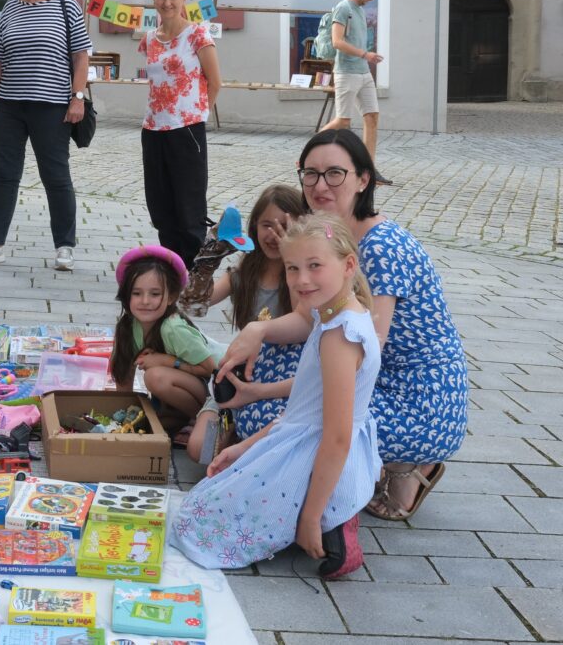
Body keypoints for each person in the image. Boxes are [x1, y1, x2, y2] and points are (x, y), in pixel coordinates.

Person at [219, 128, 468, 522]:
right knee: (267, 368)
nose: (320, 185)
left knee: (270, 414)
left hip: (418, 402)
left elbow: (362, 361)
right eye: (310, 173)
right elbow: (305, 319)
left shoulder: (381, 248)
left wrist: (262, 393)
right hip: (377, 379)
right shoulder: (333, 231)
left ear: (363, 179)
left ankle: (409, 465)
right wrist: (258, 330)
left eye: (335, 173)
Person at [172, 212, 381, 578]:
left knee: (197, 526)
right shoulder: (331, 316)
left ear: (348, 265)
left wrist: (311, 519)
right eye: (292, 268)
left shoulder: (339, 336)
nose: (301, 280)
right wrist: (244, 447)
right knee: (200, 506)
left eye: (315, 266)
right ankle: (329, 510)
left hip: (316, 453)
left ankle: (330, 516)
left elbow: (335, 435)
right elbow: (304, 410)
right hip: (300, 439)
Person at [0, 0, 91, 272]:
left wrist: (77, 97)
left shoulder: (67, 6)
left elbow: (81, 56)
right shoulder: (10, 8)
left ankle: (65, 246)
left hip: (52, 107)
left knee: (56, 177)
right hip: (11, 106)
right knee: (4, 175)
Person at [188, 186, 306, 460]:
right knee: (201, 451)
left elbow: (303, 318)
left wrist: (293, 256)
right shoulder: (242, 275)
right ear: (254, 227)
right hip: (236, 379)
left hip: (280, 384)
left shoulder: (303, 279)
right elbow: (192, 304)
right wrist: (211, 254)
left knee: (261, 449)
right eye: (266, 224)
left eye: (285, 226)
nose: (274, 234)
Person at [140, 0, 222, 270]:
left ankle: (195, 273)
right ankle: (171, 267)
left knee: (188, 208)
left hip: (185, 130)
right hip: (153, 129)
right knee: (161, 206)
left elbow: (215, 81)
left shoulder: (198, 34)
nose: (167, 2)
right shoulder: (149, 39)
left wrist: (196, 115)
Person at [110, 245, 218, 441]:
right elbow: (123, 378)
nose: (145, 301)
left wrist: (166, 361)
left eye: (155, 294)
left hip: (212, 389)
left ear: (172, 297)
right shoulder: (127, 326)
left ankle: (201, 419)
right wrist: (122, 417)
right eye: (136, 293)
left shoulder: (173, 328)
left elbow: (211, 369)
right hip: (181, 392)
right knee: (152, 423)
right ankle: (182, 419)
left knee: (155, 376)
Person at [319, 0, 392, 185]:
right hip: (346, 71)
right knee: (343, 121)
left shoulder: (360, 11)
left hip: (363, 73)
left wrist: (365, 58)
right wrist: (364, 54)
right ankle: (310, 149)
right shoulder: (344, 8)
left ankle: (368, 170)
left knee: (372, 117)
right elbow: (337, 42)